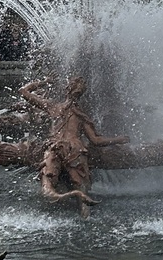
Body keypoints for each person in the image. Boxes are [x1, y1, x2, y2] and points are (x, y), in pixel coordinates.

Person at [19, 76, 129, 216]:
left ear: (66, 90)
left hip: (55, 147)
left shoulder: (54, 107)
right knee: (83, 196)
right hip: (75, 150)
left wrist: (44, 82)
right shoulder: (82, 116)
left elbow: (23, 91)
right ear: (81, 94)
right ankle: (81, 201)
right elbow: (96, 141)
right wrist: (118, 139)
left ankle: (59, 195)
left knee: (47, 187)